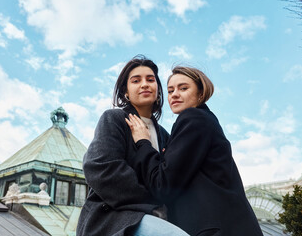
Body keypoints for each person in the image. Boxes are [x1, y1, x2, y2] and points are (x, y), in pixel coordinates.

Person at [125, 66, 263, 236]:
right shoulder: (204, 121)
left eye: (183, 88)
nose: (174, 94)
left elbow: (163, 185)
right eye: (170, 90)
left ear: (200, 93)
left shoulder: (193, 118)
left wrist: (143, 142)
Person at [76, 56, 189, 236]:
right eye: (136, 80)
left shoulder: (165, 136)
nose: (144, 84)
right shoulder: (114, 119)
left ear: (158, 90)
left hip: (157, 217)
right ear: (126, 92)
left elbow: (168, 181)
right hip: (114, 218)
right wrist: (153, 203)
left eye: (150, 80)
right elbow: (101, 169)